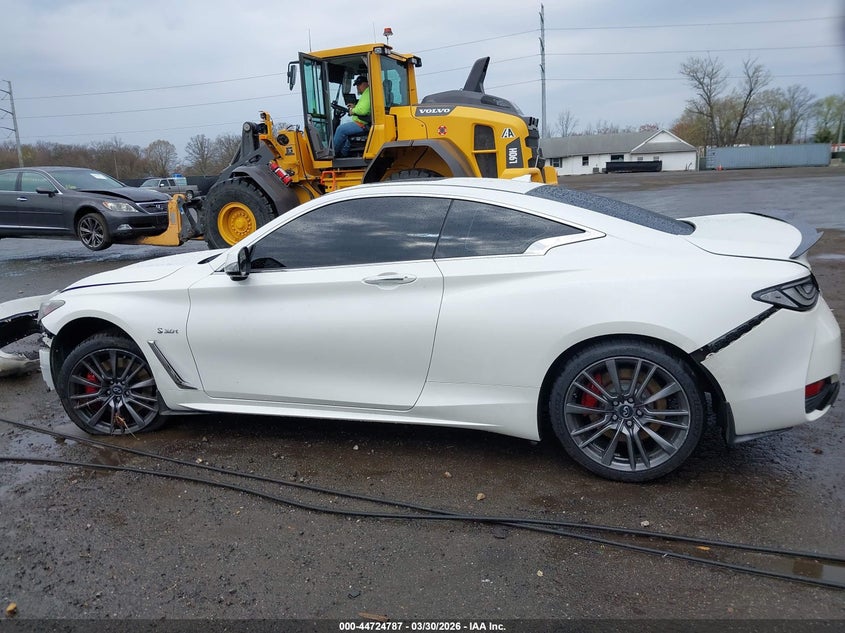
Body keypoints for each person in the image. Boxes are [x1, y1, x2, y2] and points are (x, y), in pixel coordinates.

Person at [333, 75, 371, 157]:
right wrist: (354, 107)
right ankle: (343, 155)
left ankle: (332, 154)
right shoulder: (366, 94)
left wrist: (352, 111)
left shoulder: (368, 93)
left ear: (365, 84)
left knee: (340, 130)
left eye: (359, 85)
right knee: (346, 136)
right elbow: (362, 107)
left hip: (362, 123)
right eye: (357, 85)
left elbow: (363, 111)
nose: (357, 87)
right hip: (361, 122)